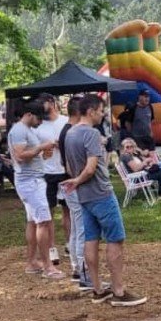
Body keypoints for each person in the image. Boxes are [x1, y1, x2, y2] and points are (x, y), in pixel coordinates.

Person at [62, 94, 147, 306]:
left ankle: (98, 289)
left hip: (84, 196)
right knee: (115, 240)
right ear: (90, 111)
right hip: (101, 193)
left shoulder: (70, 133)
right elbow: (90, 168)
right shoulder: (90, 133)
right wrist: (78, 180)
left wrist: (76, 182)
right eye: (101, 111)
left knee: (91, 239)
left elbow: (70, 165)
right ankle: (119, 292)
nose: (103, 115)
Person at [8, 101, 64, 279]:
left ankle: (32, 262)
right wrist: (40, 147)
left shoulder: (28, 130)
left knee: (33, 222)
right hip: (30, 182)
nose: (41, 122)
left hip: (33, 180)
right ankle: (48, 267)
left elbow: (31, 153)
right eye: (39, 118)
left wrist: (43, 151)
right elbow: (20, 156)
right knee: (44, 222)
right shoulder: (19, 130)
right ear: (30, 114)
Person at [35, 93, 69, 267]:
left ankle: (70, 244)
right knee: (48, 212)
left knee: (67, 210)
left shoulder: (65, 121)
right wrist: (43, 149)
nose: (40, 106)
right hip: (46, 173)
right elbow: (33, 150)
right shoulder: (38, 126)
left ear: (52, 103)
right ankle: (52, 248)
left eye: (43, 103)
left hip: (64, 171)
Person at [58, 96, 88, 286]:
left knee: (77, 227)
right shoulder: (71, 132)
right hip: (74, 184)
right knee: (81, 227)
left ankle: (78, 267)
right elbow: (69, 164)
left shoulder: (66, 131)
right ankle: (81, 268)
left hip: (70, 184)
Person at [131, 90, 156, 156]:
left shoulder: (150, 107)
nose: (147, 99)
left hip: (148, 136)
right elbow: (128, 123)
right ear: (140, 97)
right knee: (142, 154)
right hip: (137, 137)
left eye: (148, 97)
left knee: (151, 154)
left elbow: (150, 121)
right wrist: (132, 134)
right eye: (145, 97)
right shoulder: (134, 108)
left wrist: (151, 132)